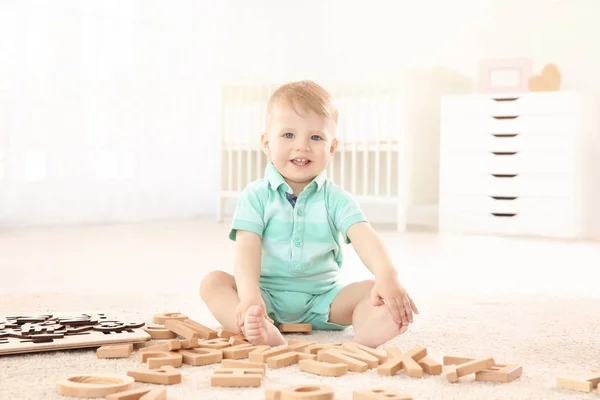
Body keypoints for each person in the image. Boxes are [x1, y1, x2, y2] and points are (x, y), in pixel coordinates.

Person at [200, 80, 419, 348]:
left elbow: (363, 236)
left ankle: (368, 332)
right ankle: (254, 324)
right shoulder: (255, 195)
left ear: (332, 147)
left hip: (324, 300)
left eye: (315, 137)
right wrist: (249, 297)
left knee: (373, 290)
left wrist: (388, 275)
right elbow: (247, 250)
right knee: (213, 283)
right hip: (264, 298)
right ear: (266, 143)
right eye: (288, 135)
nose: (302, 147)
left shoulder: (336, 198)